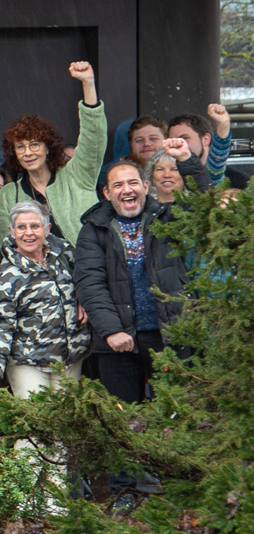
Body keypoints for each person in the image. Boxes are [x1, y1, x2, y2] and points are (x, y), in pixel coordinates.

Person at [0, 200, 92, 502]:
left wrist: (85, 298)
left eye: (34, 226)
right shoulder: (2, 277)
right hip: (27, 362)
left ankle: (54, 505)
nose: (29, 233)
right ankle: (24, 504)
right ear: (11, 231)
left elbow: (89, 278)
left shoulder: (64, 256)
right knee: (35, 430)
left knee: (63, 431)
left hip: (69, 360)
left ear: (47, 228)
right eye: (21, 227)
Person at [74, 160, 188, 406]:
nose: (126, 189)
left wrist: (188, 160)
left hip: (171, 336)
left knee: (178, 418)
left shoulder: (171, 218)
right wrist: (112, 330)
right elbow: (90, 284)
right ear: (106, 193)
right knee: (125, 423)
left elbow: (205, 199)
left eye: (133, 182)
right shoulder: (93, 230)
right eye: (118, 184)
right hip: (118, 341)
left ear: (146, 186)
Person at [0, 62, 106, 247]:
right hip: (35, 273)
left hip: (86, 268)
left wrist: (88, 84)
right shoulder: (9, 194)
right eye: (20, 147)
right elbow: (3, 243)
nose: (28, 152)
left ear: (48, 148)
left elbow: (94, 139)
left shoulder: (77, 176)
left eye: (35, 145)